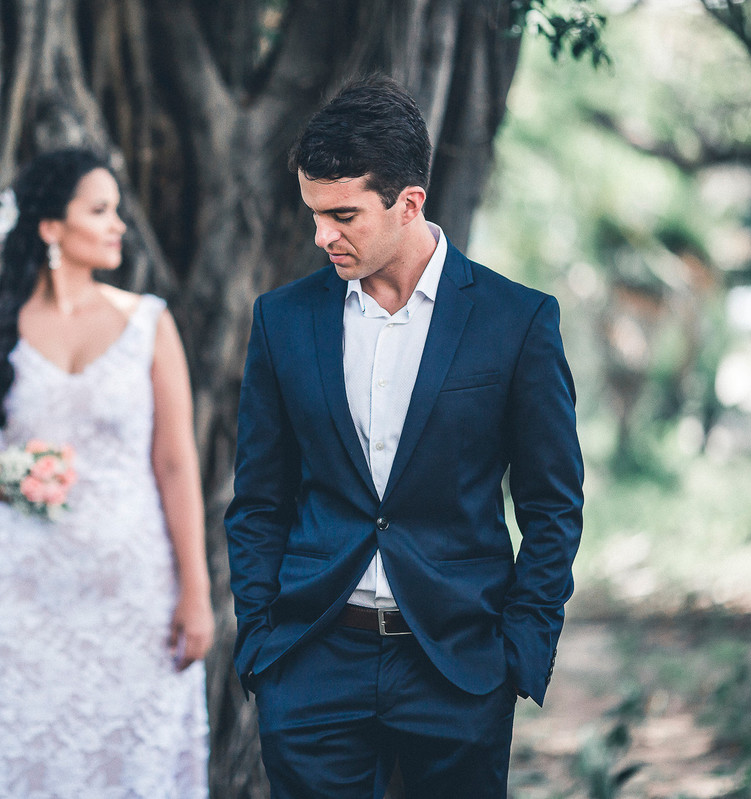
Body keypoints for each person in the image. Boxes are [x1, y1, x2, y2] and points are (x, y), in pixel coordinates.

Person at [225, 75, 584, 798]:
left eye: (344, 215)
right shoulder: (283, 321)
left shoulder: (516, 323)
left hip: (457, 668)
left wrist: (520, 650)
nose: (322, 235)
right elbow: (259, 499)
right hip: (312, 661)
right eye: (315, 214)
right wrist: (262, 642)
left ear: (409, 202)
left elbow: (552, 507)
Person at [0, 148, 213, 797]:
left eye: (116, 211)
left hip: (133, 594)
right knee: (18, 756)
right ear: (50, 227)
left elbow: (174, 461)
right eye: (99, 210)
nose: (118, 226)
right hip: (17, 594)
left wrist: (196, 590)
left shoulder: (149, 324)